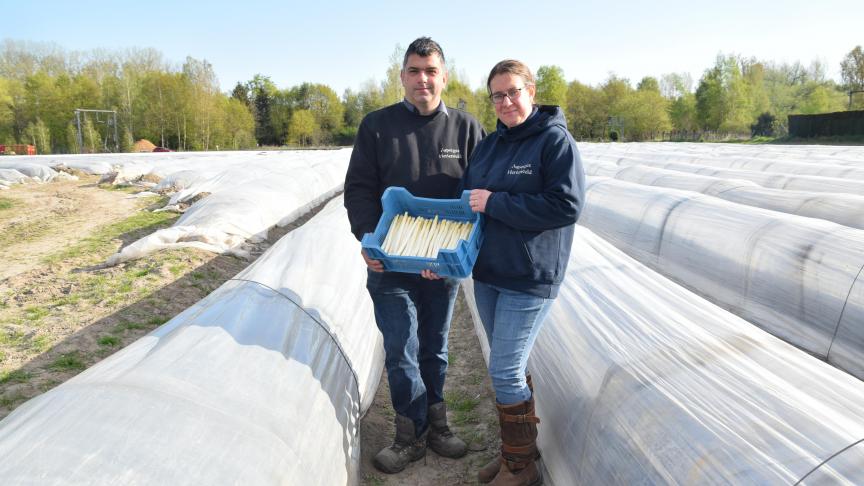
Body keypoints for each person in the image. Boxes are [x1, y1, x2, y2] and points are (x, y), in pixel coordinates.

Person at [343, 37, 486, 474]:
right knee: (400, 347)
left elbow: (479, 194)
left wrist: (461, 249)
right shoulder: (378, 126)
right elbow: (359, 190)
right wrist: (370, 240)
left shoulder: (466, 128)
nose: (422, 79)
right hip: (390, 261)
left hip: (440, 262)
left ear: (444, 76)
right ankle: (409, 434)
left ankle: (437, 423)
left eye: (430, 71)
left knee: (434, 347)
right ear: (402, 76)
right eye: (413, 70)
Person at [462, 59, 585, 486]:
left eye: (513, 91)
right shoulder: (490, 145)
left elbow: (565, 206)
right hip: (489, 273)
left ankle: (520, 469)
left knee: (504, 370)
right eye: (498, 95)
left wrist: (496, 202)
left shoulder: (554, 142)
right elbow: (469, 200)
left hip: (529, 277)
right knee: (508, 366)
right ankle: (516, 451)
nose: (506, 101)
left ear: (531, 90)